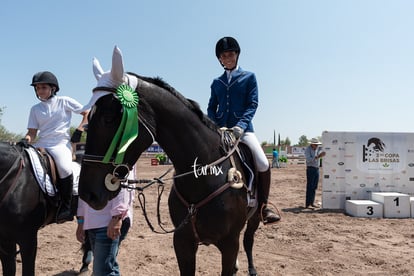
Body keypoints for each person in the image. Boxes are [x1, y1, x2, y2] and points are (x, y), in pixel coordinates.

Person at [207, 36, 280, 224]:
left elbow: (252, 104)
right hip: (221, 130)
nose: (228, 57)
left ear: (236, 55)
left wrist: (240, 126)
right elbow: (210, 108)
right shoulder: (216, 82)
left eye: (231, 54)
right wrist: (216, 126)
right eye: (224, 55)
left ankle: (263, 207)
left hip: (244, 130)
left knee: (263, 163)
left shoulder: (249, 77)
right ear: (220, 59)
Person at [23, 71, 88, 223]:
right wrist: (26, 139)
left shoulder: (64, 101)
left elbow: (87, 113)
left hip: (60, 144)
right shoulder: (35, 109)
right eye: (37, 88)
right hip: (42, 143)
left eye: (43, 87)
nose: (40, 91)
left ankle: (66, 207)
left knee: (65, 168)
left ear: (53, 88)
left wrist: (80, 129)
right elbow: (32, 132)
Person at [76, 168, 135, 276]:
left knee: (102, 271)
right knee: (107, 266)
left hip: (108, 221)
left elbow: (123, 181)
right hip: (91, 222)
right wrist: (81, 220)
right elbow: (83, 189)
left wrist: (117, 216)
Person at [304, 138, 326, 209]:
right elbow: (309, 160)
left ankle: (312, 203)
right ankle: (308, 204)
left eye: (317, 145)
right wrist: (318, 156)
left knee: (314, 187)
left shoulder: (316, 149)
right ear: (312, 144)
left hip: (316, 169)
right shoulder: (308, 150)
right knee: (310, 186)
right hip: (310, 169)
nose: (317, 146)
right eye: (315, 145)